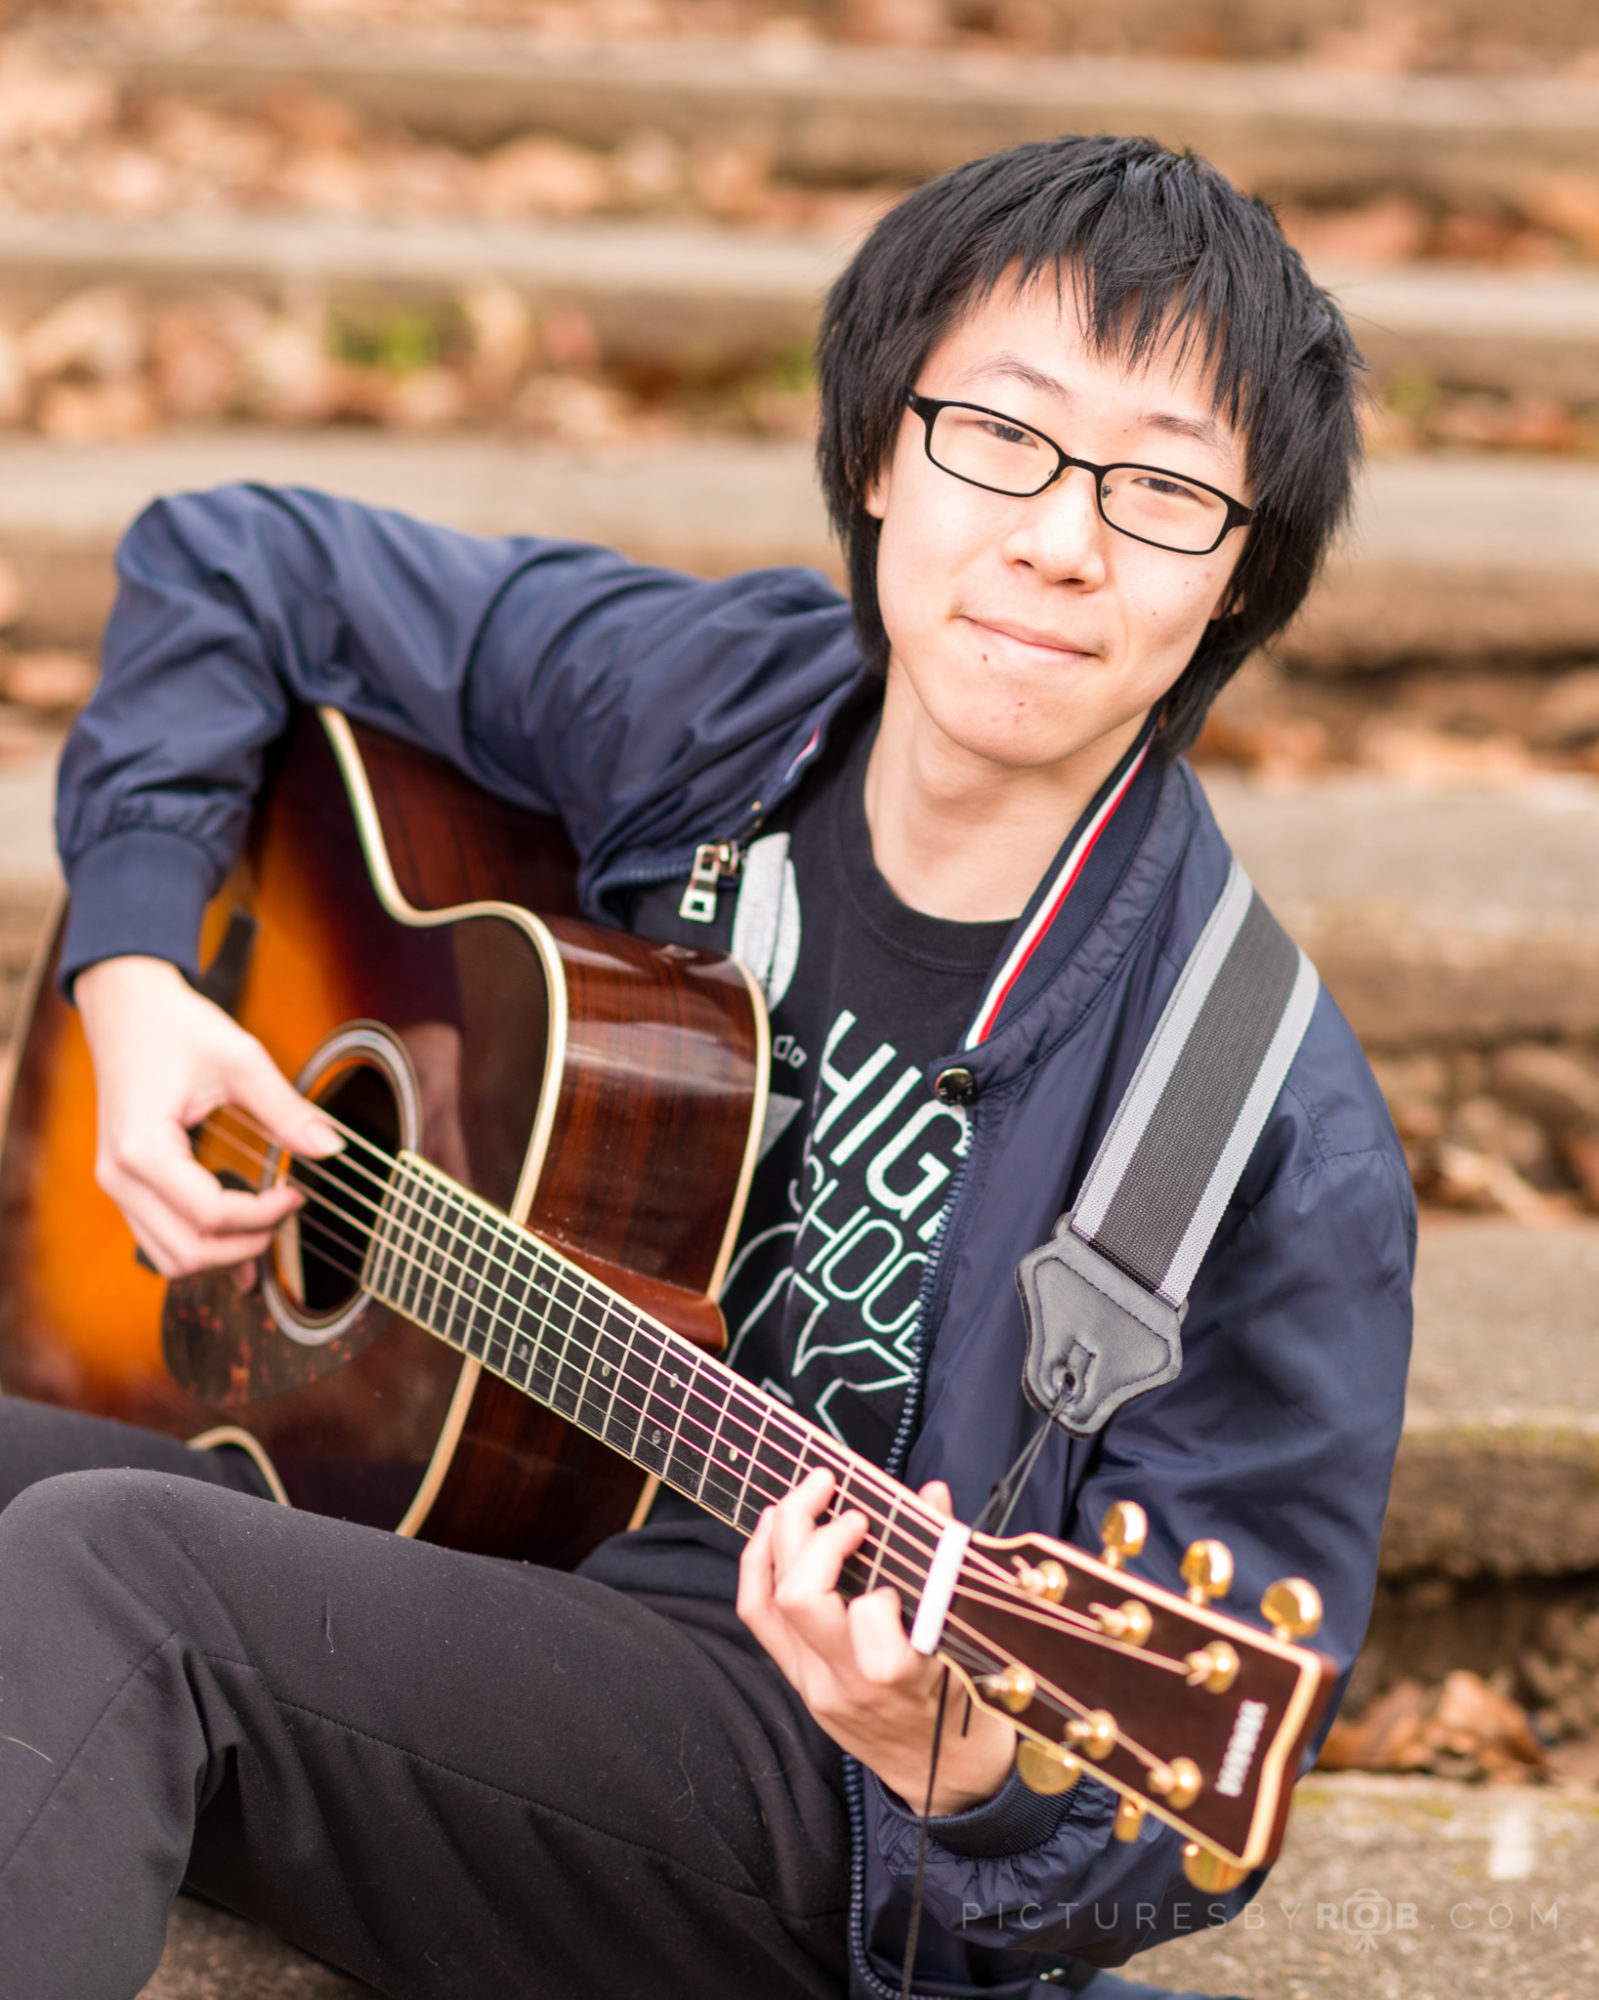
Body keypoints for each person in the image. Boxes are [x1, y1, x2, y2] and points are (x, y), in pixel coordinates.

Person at [2, 134, 1412, 2000]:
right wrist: (136, 965)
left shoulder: (1259, 1129)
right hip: (476, 1519)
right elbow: (232, 561)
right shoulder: (729, 704)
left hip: (795, 1788)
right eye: (1004, 434)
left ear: (1237, 583)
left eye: (1164, 491)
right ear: (875, 455)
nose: (1061, 540)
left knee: (111, 1579)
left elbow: (1178, 1812)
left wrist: (963, 1766)